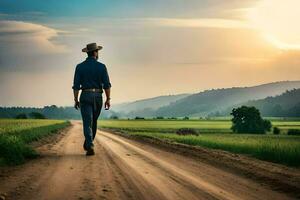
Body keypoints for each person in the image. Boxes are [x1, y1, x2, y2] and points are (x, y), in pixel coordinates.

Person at [72, 43, 111, 156]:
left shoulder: (79, 67)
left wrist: (76, 99)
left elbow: (76, 86)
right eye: (97, 52)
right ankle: (89, 143)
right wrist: (108, 99)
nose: (98, 54)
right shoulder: (102, 67)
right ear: (95, 53)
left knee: (87, 122)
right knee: (93, 121)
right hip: (98, 96)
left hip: (85, 95)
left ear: (87, 53)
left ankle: (89, 144)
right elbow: (107, 85)